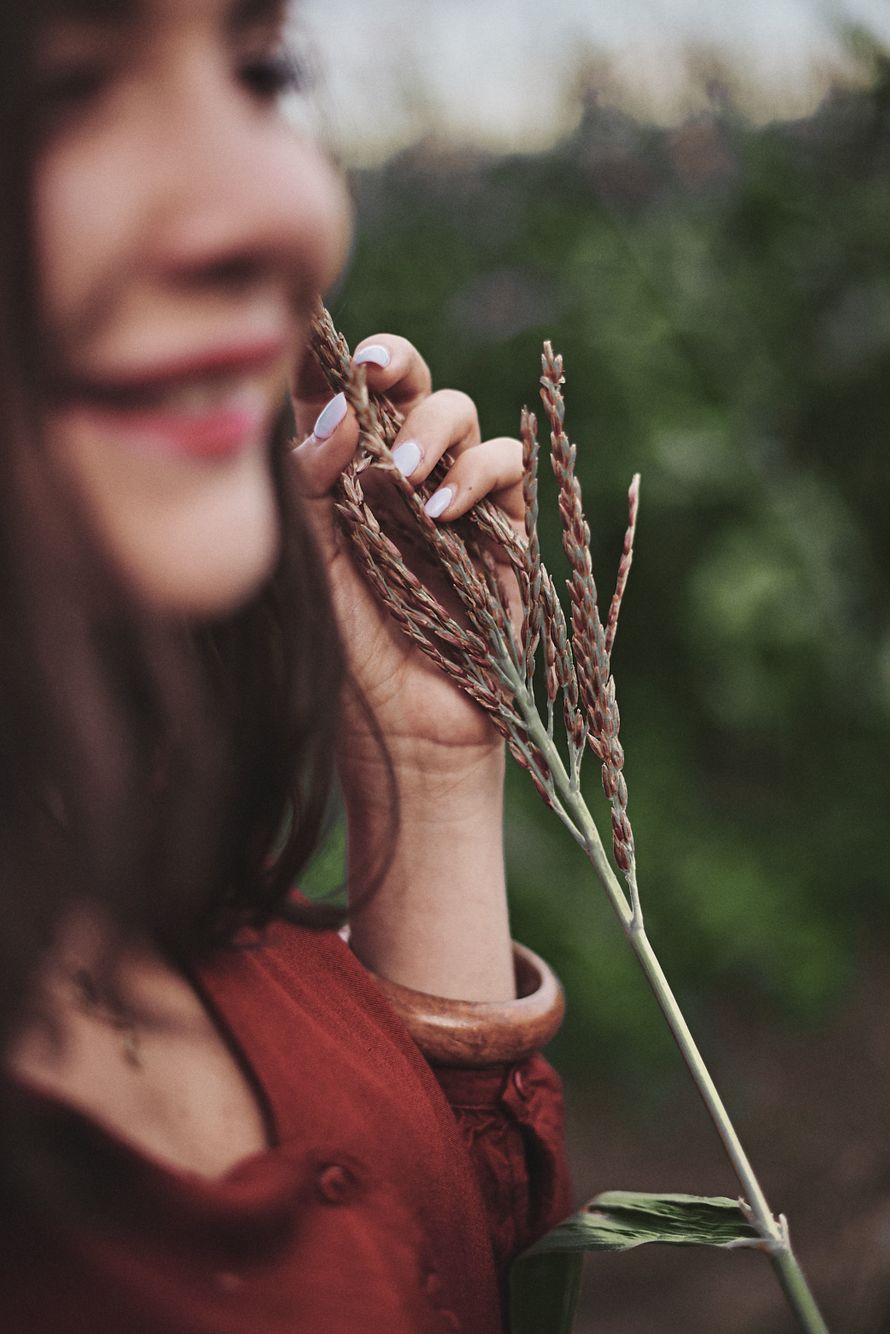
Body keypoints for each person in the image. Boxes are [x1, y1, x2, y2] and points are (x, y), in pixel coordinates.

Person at [0, 0, 573, 1330]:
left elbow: (442, 1268)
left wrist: (428, 773)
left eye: (262, 70)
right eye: (68, 86)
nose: (294, 207)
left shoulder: (145, 873)